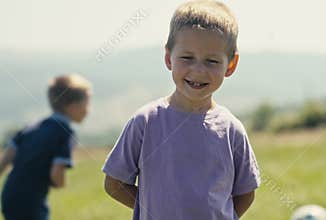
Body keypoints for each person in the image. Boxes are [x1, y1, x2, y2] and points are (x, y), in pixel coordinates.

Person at [102, 1, 261, 219]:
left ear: (231, 65)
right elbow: (114, 183)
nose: (198, 70)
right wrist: (154, 208)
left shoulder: (232, 130)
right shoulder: (145, 122)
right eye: (187, 58)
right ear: (169, 58)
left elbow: (245, 192)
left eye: (212, 61)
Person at [0, 74, 91, 220]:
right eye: (87, 104)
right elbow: (56, 174)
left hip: (9, 195)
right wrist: (60, 184)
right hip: (32, 201)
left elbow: (5, 160)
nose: (88, 111)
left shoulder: (31, 128)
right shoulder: (66, 132)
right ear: (73, 107)